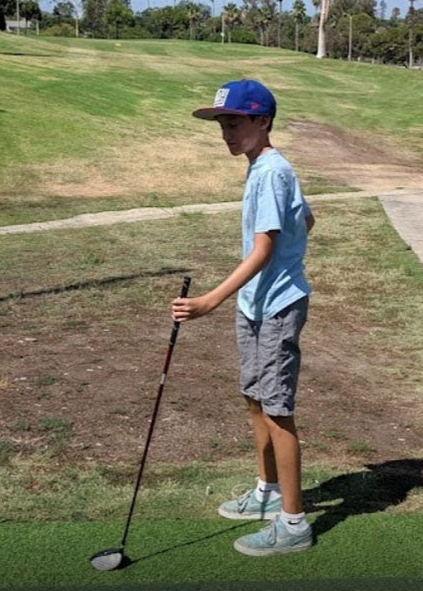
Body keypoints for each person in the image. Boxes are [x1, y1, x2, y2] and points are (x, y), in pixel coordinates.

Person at [171, 79, 316, 557]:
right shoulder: (264, 168)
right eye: (222, 125)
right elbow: (306, 219)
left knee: (276, 410)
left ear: (262, 121)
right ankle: (267, 491)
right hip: (255, 303)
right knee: (255, 398)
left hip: (276, 307)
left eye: (234, 123)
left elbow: (264, 248)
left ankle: (293, 524)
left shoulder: (271, 172)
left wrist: (210, 301)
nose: (226, 133)